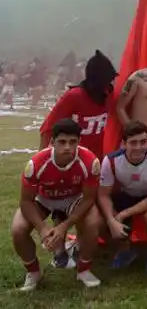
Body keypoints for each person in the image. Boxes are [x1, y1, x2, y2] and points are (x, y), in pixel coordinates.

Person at [12, 119, 103, 291]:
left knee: (93, 222)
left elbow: (89, 199)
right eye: (62, 142)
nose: (67, 147)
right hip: (44, 199)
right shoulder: (37, 163)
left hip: (73, 199)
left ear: (79, 142)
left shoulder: (90, 161)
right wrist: (42, 228)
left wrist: (65, 226)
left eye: (72, 142)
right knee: (18, 229)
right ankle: (33, 273)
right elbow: (25, 201)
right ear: (52, 142)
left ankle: (83, 270)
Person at [98, 120, 147, 273]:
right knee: (100, 217)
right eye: (133, 142)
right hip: (127, 195)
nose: (138, 147)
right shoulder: (110, 160)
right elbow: (103, 195)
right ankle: (125, 251)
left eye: (143, 142)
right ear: (123, 143)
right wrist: (112, 220)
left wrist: (123, 214)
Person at [40, 50, 118, 158]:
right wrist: (41, 159)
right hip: (72, 159)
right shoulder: (74, 96)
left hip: (96, 159)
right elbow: (47, 128)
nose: (108, 86)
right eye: (105, 82)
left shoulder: (110, 94)